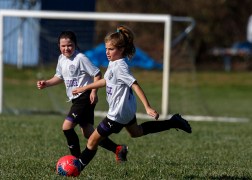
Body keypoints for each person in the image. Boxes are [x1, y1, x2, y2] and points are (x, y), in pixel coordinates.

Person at [72, 25, 192, 171]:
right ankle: (173, 122)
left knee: (92, 141)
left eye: (111, 49)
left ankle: (77, 168)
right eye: (106, 49)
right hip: (127, 109)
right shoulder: (113, 63)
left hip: (117, 114)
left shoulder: (120, 67)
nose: (107, 52)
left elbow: (135, 85)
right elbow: (106, 80)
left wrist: (147, 107)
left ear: (121, 49)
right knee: (136, 132)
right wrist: (85, 88)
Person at [37, 31, 128, 162]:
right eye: (63, 46)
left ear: (75, 45)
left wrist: (93, 92)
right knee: (88, 133)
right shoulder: (61, 59)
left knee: (67, 127)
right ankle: (118, 149)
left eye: (69, 45)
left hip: (84, 97)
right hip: (76, 99)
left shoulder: (80, 58)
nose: (66, 48)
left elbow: (97, 74)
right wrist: (46, 83)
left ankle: (75, 160)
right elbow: (59, 77)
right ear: (59, 46)